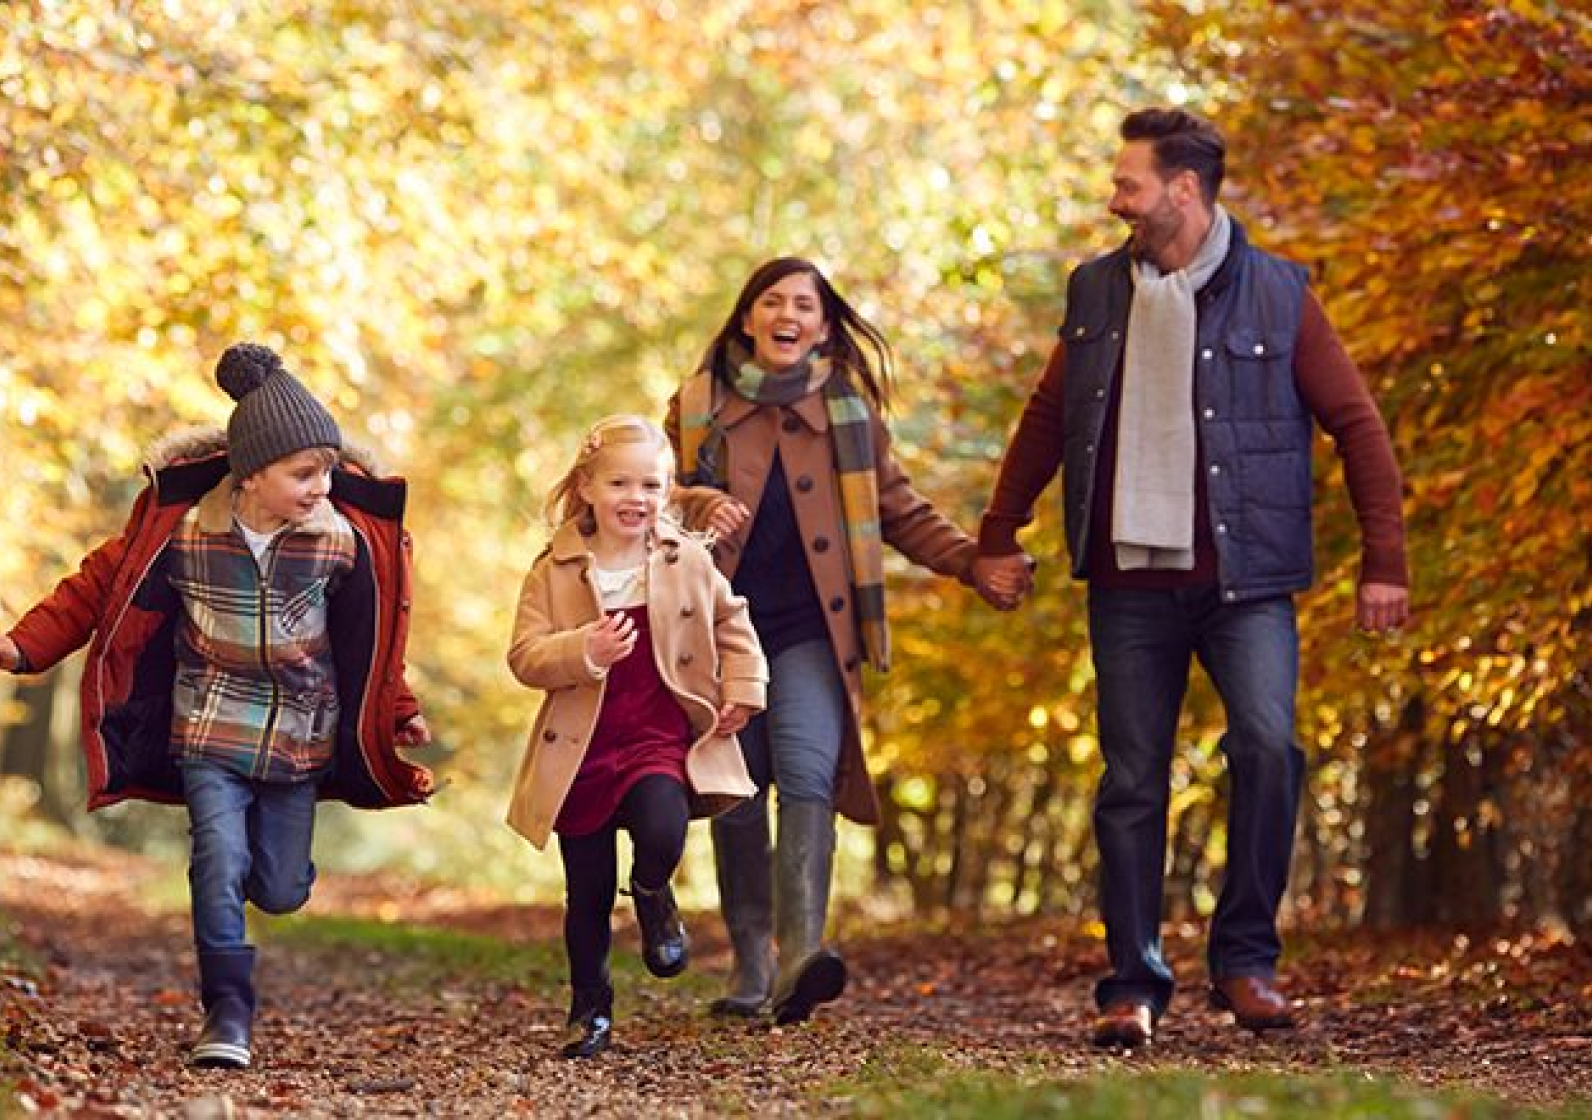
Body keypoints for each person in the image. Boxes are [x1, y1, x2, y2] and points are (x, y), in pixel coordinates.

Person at [973, 107, 1410, 1047]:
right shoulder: (1097, 291)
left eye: (1129, 183)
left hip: (1245, 582)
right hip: (1130, 582)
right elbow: (1048, 416)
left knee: (1267, 748)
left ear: (1183, 189)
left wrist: (1386, 562)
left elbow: (1359, 426)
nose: (1114, 199)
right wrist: (997, 532)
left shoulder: (1281, 293)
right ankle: (1131, 984)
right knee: (1132, 779)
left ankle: (1246, 962)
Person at [0, 343, 434, 1070]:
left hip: (297, 737)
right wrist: (24, 647)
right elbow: (95, 589)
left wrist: (397, 710)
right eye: (305, 473)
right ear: (251, 474)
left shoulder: (338, 543)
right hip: (210, 723)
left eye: (328, 470)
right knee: (216, 858)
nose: (324, 486)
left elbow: (373, 640)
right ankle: (228, 1013)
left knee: (278, 889)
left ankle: (273, 879)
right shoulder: (185, 532)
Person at [667, 257, 980, 1025]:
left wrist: (973, 562)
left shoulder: (849, 415)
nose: (787, 314)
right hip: (722, 633)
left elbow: (900, 512)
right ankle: (752, 964)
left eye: (804, 304)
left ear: (824, 325)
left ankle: (801, 957)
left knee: (808, 771)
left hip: (813, 632)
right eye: (772, 301)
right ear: (747, 319)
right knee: (739, 791)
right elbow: (649, 498)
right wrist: (698, 498)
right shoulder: (700, 402)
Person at [506, 414, 766, 1060]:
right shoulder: (555, 569)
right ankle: (589, 1009)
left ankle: (652, 891)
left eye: (651, 485)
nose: (636, 498)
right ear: (587, 486)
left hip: (656, 737)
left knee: (662, 827)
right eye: (620, 483)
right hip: (582, 749)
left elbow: (734, 625)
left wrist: (743, 687)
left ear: (668, 491)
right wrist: (583, 650)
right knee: (587, 893)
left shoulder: (686, 560)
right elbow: (524, 655)